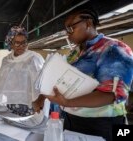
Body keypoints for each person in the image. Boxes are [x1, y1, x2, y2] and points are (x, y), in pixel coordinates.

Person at [33, 7, 133, 141]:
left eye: (70, 28)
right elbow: (58, 79)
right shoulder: (75, 53)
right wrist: (42, 97)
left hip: (104, 125)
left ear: (88, 23)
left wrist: (67, 102)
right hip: (71, 120)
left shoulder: (114, 49)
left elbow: (111, 95)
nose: (68, 34)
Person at [0, 26, 45, 116]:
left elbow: (44, 82)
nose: (21, 46)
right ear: (10, 44)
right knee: (12, 127)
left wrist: (40, 101)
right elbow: (0, 81)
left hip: (31, 104)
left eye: (24, 43)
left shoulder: (34, 58)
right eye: (17, 43)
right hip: (11, 103)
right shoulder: (7, 60)